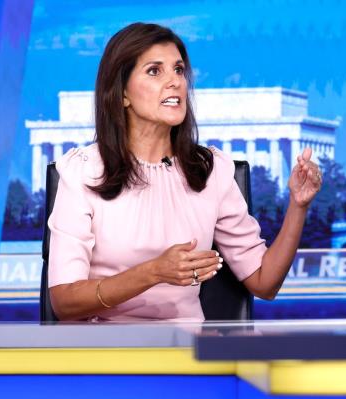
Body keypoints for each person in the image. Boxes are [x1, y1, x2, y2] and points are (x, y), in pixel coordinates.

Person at [48, 23, 323, 321]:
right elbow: (64, 301)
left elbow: (264, 283)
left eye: (178, 70)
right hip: (107, 353)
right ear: (122, 93)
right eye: (155, 71)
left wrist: (299, 205)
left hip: (188, 352)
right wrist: (153, 271)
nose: (175, 82)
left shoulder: (211, 171)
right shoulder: (84, 172)